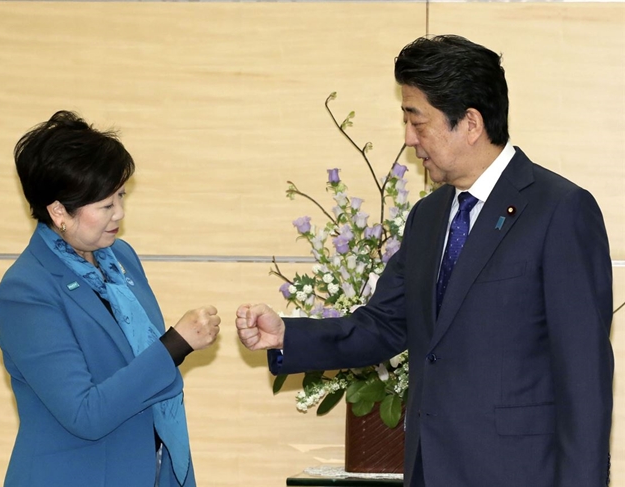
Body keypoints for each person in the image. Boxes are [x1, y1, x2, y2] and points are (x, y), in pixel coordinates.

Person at [236, 35, 613, 487]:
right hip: (429, 470)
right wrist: (286, 334)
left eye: (418, 121)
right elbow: (382, 326)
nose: (409, 139)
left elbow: (584, 377)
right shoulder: (429, 216)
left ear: (470, 123)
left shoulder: (558, 210)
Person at [0, 110, 220, 487]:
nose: (120, 213)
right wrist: (175, 346)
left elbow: (140, 375)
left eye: (121, 196)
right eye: (105, 205)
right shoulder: (27, 290)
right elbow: (84, 413)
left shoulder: (121, 259)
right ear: (58, 211)